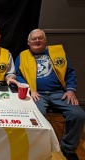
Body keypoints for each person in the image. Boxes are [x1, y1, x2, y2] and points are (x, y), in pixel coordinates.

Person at [15, 28, 85, 160]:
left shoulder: (58, 53)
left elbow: (70, 72)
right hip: (37, 94)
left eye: (40, 38)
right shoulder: (22, 56)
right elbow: (18, 75)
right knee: (36, 116)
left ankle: (68, 148)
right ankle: (39, 147)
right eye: (34, 39)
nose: (37, 41)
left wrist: (70, 90)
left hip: (59, 93)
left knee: (78, 115)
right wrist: (29, 88)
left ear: (45, 41)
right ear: (28, 42)